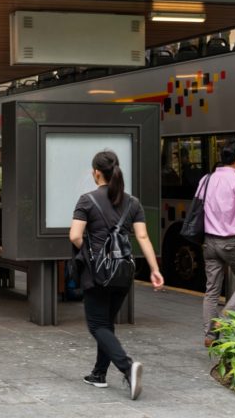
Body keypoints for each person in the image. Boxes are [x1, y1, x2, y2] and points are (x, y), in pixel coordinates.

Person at [69, 150, 164, 401]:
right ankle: (99, 374)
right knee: (106, 323)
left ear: (96, 173)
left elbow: (75, 236)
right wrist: (155, 270)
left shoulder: (87, 200)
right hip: (122, 273)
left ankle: (127, 367)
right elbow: (142, 237)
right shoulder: (133, 202)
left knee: (97, 325)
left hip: (98, 273)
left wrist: (92, 255)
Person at [199, 139, 235, 348]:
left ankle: (210, 336)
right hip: (231, 242)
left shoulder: (207, 179)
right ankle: (225, 320)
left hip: (209, 242)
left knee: (211, 290)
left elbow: (200, 203)